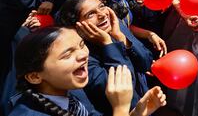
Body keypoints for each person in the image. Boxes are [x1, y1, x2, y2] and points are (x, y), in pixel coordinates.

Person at [10, 26, 166, 116]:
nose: (83, 54)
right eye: (67, 54)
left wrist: (137, 112)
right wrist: (120, 108)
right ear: (35, 76)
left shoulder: (74, 94)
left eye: (81, 45)